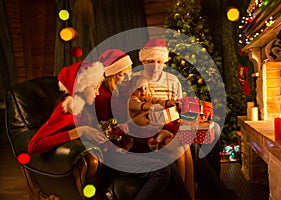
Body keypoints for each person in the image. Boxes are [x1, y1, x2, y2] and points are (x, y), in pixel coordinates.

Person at [28, 57, 191, 200]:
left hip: (117, 154)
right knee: (161, 171)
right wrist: (79, 131)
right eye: (96, 86)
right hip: (107, 162)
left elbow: (108, 130)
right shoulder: (67, 110)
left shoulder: (90, 106)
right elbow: (34, 146)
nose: (98, 92)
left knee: (167, 165)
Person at [135, 38, 239, 200]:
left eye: (159, 61)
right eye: (150, 61)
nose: (155, 66)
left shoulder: (173, 80)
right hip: (152, 132)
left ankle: (208, 190)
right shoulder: (137, 81)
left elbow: (181, 109)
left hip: (175, 126)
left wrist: (195, 117)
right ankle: (219, 193)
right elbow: (137, 113)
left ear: (164, 61)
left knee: (212, 131)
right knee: (193, 148)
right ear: (142, 61)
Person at [95, 49, 192, 200]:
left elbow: (149, 102)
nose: (128, 78)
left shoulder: (122, 92)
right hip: (112, 156)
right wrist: (133, 123)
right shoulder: (101, 97)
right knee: (162, 170)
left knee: (170, 164)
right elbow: (103, 133)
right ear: (111, 76)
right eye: (122, 74)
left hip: (130, 147)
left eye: (128, 73)